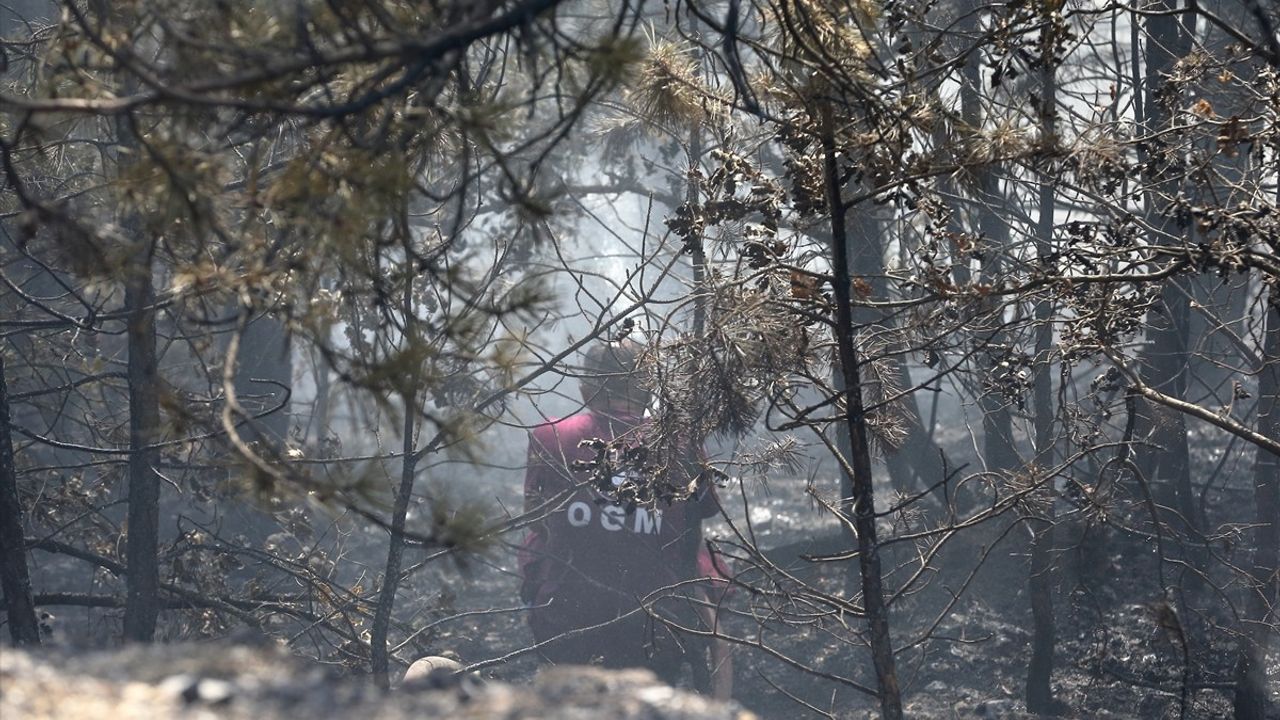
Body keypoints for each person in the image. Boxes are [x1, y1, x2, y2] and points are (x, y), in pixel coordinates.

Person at [518, 340, 733, 698]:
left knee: (538, 543)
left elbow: (534, 519)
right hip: (657, 628)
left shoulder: (549, 436)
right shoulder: (680, 441)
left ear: (586, 390)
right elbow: (706, 509)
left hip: (566, 621)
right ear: (649, 390)